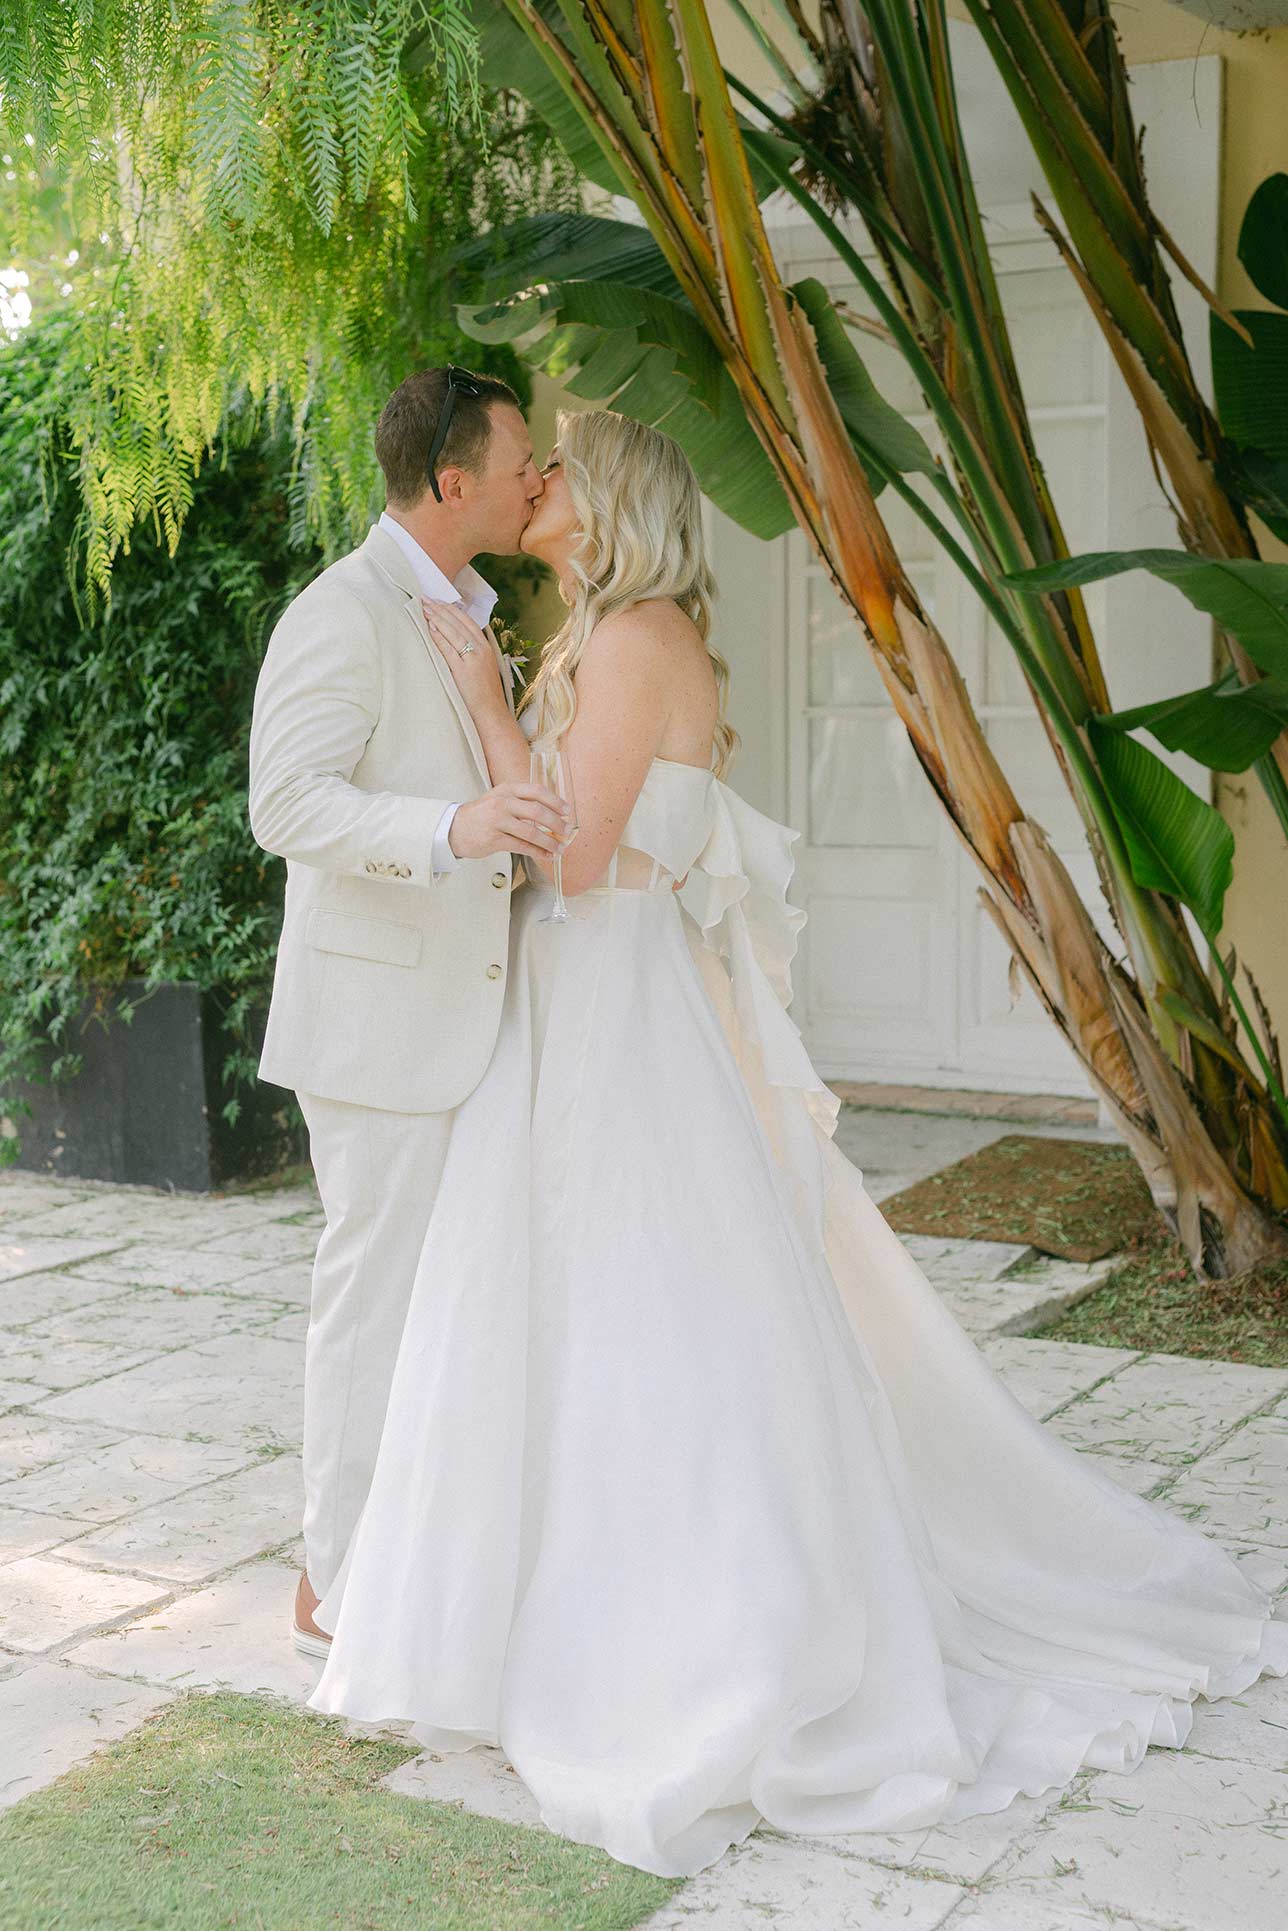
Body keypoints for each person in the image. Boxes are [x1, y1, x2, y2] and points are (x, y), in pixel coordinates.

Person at [304, 407, 1288, 1879]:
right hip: (577, 1008)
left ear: (612, 499)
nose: (540, 486)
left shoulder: (638, 638)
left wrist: (485, 704)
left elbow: (573, 856)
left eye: (560, 467)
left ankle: (695, 1639)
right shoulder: (605, 634)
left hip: (615, 1006)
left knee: (640, 1316)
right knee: (551, 1314)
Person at [247, 368, 572, 1656]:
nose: (535, 477)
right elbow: (288, 806)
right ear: (453, 483)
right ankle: (335, 1581)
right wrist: (452, 828)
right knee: (373, 1302)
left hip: (465, 1019)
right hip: (378, 1034)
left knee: (453, 1308)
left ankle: (427, 1553)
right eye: (518, 461)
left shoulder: (468, 611)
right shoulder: (342, 612)